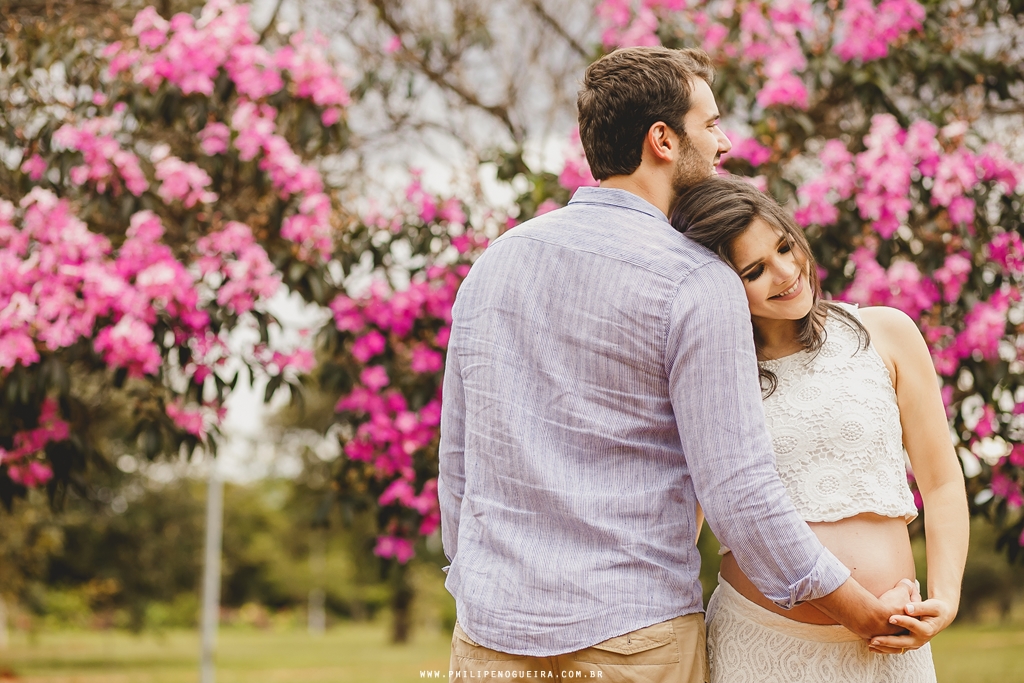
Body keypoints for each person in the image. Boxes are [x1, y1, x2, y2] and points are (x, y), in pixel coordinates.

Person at [438, 46, 911, 683]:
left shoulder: (494, 264)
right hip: (633, 642)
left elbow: (459, 464)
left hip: (489, 639)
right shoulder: (694, 281)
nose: (724, 143)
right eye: (710, 124)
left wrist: (479, 584)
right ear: (662, 139)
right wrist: (858, 611)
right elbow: (739, 494)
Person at [670, 175, 969, 683]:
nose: (786, 273)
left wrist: (944, 599)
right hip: (760, 645)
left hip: (892, 646)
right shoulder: (717, 376)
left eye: (785, 246)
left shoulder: (888, 333)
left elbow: (941, 483)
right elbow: (691, 515)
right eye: (754, 270)